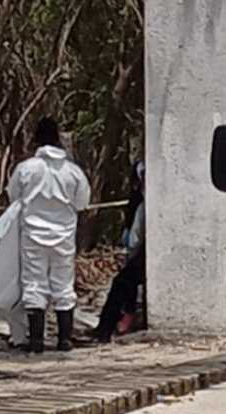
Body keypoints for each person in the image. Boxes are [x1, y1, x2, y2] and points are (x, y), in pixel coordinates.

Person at [9, 118, 91, 353]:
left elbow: (14, 196)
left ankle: (36, 341)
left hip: (33, 235)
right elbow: (82, 202)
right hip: (64, 236)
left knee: (34, 284)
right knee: (63, 284)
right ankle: (65, 339)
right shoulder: (73, 172)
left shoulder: (26, 169)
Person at [95, 163, 145, 342]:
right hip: (140, 254)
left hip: (140, 255)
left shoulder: (142, 206)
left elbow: (134, 240)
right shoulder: (141, 204)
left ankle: (104, 330)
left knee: (121, 284)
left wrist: (131, 253)